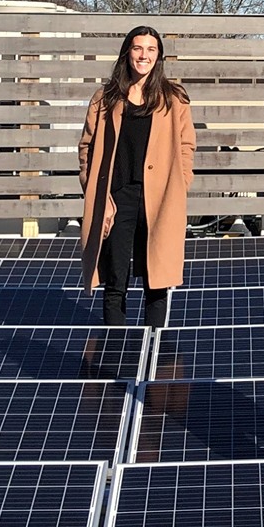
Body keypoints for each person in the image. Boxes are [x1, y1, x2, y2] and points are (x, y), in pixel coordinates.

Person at [78, 26, 196, 327]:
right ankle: (115, 352)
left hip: (160, 198)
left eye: (150, 49)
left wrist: (181, 182)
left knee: (157, 278)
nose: (143, 55)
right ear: (127, 52)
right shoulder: (105, 98)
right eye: (137, 48)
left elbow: (186, 145)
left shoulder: (174, 99)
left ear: (159, 56)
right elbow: (87, 146)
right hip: (117, 198)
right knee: (115, 277)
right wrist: (91, 188)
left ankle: (154, 350)